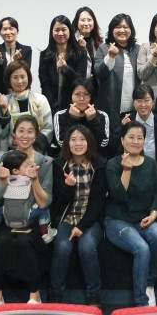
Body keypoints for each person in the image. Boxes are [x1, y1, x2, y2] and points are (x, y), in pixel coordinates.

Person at [105, 120, 157, 307]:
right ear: (122, 140)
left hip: (143, 218)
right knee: (142, 248)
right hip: (118, 220)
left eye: (140, 138)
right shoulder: (113, 164)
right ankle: (142, 302)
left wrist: (154, 212)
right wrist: (126, 170)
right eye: (131, 137)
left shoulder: (151, 164)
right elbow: (118, 196)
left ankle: (149, 284)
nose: (135, 141)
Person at [48, 125, 107, 304]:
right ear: (67, 143)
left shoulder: (99, 164)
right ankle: (56, 294)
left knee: (87, 247)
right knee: (62, 247)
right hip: (66, 217)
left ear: (89, 142)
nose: (78, 144)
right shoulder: (59, 164)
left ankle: (93, 294)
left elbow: (98, 202)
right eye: (73, 140)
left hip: (90, 219)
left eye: (82, 139)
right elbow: (58, 203)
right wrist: (67, 187)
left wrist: (82, 226)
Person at [0, 148, 49, 304]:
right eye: (26, 166)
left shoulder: (33, 176)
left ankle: (34, 293)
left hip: (31, 223)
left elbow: (43, 204)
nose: (30, 167)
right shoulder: (4, 177)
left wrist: (34, 180)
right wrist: (2, 181)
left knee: (25, 244)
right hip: (8, 222)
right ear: (15, 170)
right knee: (2, 243)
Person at [119, 83, 157, 190]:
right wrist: (123, 129)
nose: (143, 105)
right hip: (130, 169)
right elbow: (116, 149)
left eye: (146, 100)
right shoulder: (126, 120)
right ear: (133, 103)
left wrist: (154, 166)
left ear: (153, 102)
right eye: (139, 101)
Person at [0, 61, 54, 154]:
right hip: (9, 152)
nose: (19, 81)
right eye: (15, 77)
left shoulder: (41, 100)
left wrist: (29, 142)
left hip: (36, 152)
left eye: (22, 77)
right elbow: (0, 133)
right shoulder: (2, 101)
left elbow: (48, 129)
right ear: (9, 80)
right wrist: (4, 111)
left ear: (28, 77)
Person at [93, 12, 141, 132]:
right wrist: (110, 57)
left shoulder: (137, 49)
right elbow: (99, 73)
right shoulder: (103, 48)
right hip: (109, 107)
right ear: (111, 30)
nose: (122, 30)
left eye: (125, 27)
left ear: (131, 30)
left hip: (133, 109)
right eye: (118, 27)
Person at [38, 14, 88, 114]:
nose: (60, 33)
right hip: (51, 106)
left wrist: (66, 68)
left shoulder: (80, 52)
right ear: (51, 32)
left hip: (74, 105)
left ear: (70, 31)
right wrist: (53, 105)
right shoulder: (45, 55)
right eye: (57, 30)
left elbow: (81, 80)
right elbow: (44, 83)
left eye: (64, 29)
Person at [51, 78, 109, 155]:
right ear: (71, 96)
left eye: (86, 94)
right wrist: (72, 119)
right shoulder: (60, 115)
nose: (82, 98)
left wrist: (92, 121)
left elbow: (103, 144)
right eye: (77, 94)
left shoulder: (102, 115)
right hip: (68, 157)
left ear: (91, 96)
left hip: (94, 157)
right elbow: (61, 143)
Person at [0, 16, 32, 108]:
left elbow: (25, 74)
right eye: (4, 29)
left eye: (11, 28)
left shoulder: (26, 50)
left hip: (20, 93)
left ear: (17, 31)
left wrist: (18, 61)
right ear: (0, 32)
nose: (8, 32)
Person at [73, 7, 104, 76]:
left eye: (89, 20)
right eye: (83, 20)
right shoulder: (72, 41)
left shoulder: (100, 42)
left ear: (94, 22)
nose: (86, 23)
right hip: (78, 81)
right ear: (76, 22)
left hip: (97, 81)